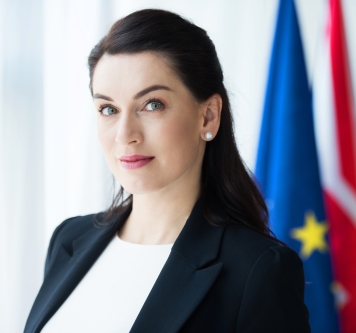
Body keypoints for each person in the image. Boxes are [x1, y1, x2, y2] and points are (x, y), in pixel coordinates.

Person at [24, 9, 310, 333]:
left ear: (208, 117)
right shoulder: (69, 239)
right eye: (108, 109)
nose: (124, 134)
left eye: (152, 104)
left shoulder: (258, 271)